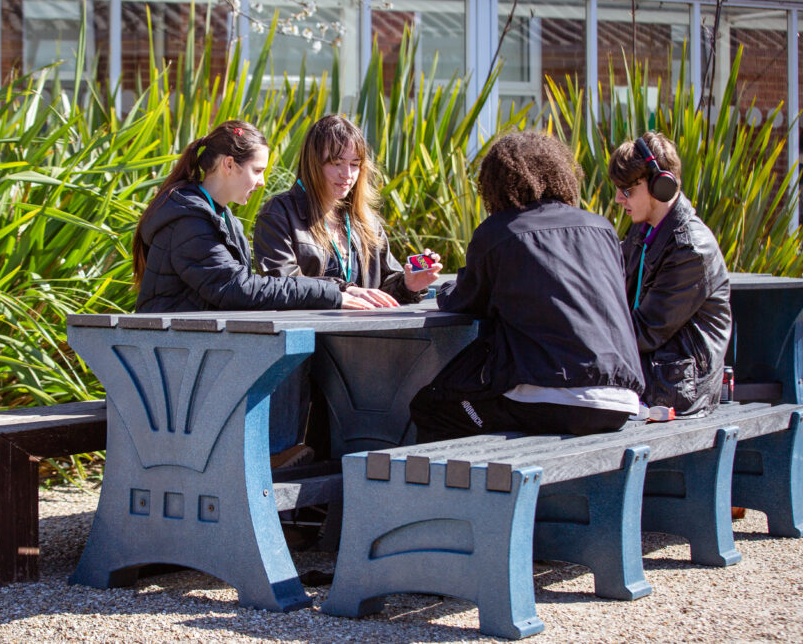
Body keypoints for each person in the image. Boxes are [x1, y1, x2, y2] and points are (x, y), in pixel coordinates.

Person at [409, 131, 644, 441]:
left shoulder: (499, 232)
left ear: (494, 185)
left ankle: (492, 490)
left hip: (549, 398)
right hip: (620, 401)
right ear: (561, 174)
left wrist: (445, 288)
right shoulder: (602, 228)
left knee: (432, 408)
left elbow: (465, 301)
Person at [133, 120, 374, 313]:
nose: (262, 182)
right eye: (257, 170)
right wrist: (330, 294)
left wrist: (338, 289)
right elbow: (238, 289)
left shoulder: (221, 218)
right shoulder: (189, 220)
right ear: (229, 165)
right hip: (172, 354)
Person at [253, 114, 442, 306]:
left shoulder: (365, 219)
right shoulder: (279, 213)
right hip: (309, 333)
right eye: (336, 163)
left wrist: (409, 284)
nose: (347, 175)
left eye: (354, 164)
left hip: (363, 332)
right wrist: (344, 290)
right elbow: (281, 282)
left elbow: (383, 288)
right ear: (313, 163)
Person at [609, 131, 732, 416]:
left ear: (660, 186)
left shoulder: (691, 249)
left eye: (627, 190)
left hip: (677, 394)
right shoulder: (645, 230)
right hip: (651, 381)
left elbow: (646, 330)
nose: (618, 198)